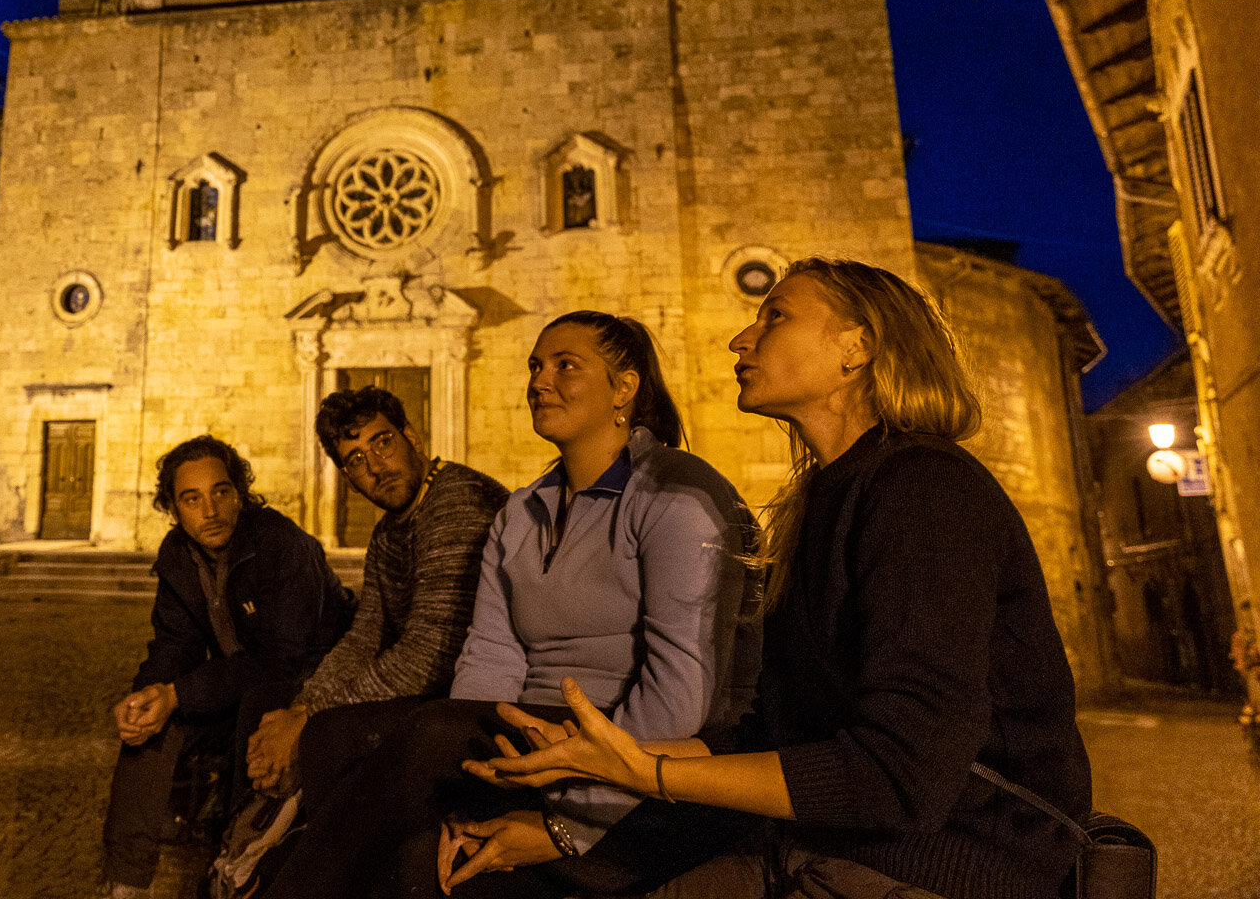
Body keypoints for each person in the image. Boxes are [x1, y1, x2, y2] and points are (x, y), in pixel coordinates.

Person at [473, 259, 1095, 899]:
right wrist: (601, 764)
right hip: (816, 841)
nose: (741, 339)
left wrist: (649, 773)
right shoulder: (824, 500)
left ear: (857, 347)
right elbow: (769, 735)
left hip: (948, 859)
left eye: (776, 316)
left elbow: (903, 775)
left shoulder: (925, 490)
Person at [262, 313, 759, 899]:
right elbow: (490, 658)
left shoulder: (675, 496)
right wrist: (473, 789)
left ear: (623, 388)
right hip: (526, 748)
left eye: (565, 366)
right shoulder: (521, 513)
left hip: (639, 772)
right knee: (420, 854)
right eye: (534, 367)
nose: (539, 381)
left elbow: (679, 696)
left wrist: (567, 818)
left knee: (419, 739)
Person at [224, 388, 506, 889]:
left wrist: (308, 720)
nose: (377, 466)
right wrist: (300, 707)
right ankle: (242, 849)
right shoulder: (388, 531)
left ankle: (315, 876)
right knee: (265, 702)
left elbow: (429, 654)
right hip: (425, 683)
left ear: (412, 438)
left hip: (470, 695)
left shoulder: (455, 502)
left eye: (383, 443)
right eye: (356, 458)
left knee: (330, 735)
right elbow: (366, 635)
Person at [103, 435, 353, 899]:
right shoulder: (180, 555)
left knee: (253, 703)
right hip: (245, 681)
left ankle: (231, 866)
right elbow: (174, 645)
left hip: (312, 689)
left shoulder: (282, 546)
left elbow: (285, 660)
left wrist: (179, 693)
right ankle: (126, 882)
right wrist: (147, 697)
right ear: (174, 510)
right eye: (191, 499)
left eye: (221, 492)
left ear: (240, 492)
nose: (210, 510)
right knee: (153, 725)